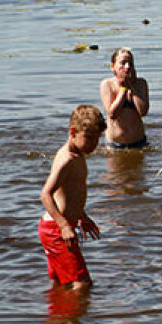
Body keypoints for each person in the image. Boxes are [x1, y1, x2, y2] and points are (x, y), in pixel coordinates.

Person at [39, 105, 106, 290]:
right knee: (82, 284)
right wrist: (64, 225)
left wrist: (81, 216)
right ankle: (74, 310)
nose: (93, 144)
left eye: (97, 139)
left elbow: (70, 193)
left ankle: (58, 307)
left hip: (59, 227)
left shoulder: (78, 155)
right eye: (89, 138)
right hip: (56, 230)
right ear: (73, 132)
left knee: (61, 282)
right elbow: (45, 194)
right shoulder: (66, 159)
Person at [100, 47, 149, 149]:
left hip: (139, 142)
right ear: (113, 67)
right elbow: (112, 114)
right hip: (114, 145)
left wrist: (132, 87)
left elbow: (143, 111)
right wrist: (123, 89)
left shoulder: (141, 84)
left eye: (130, 63)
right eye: (123, 63)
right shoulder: (107, 84)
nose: (127, 67)